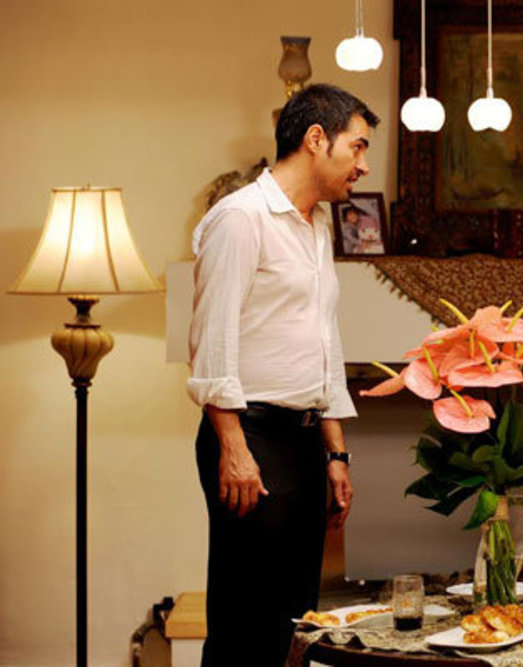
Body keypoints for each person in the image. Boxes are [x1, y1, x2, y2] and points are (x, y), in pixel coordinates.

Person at [186, 84, 379, 667]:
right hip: (251, 438)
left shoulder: (316, 224)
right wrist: (234, 448)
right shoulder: (240, 219)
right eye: (358, 146)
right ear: (316, 139)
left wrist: (335, 453)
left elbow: (324, 341)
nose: (364, 165)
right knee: (246, 624)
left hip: (303, 441)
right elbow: (213, 343)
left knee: (297, 622)